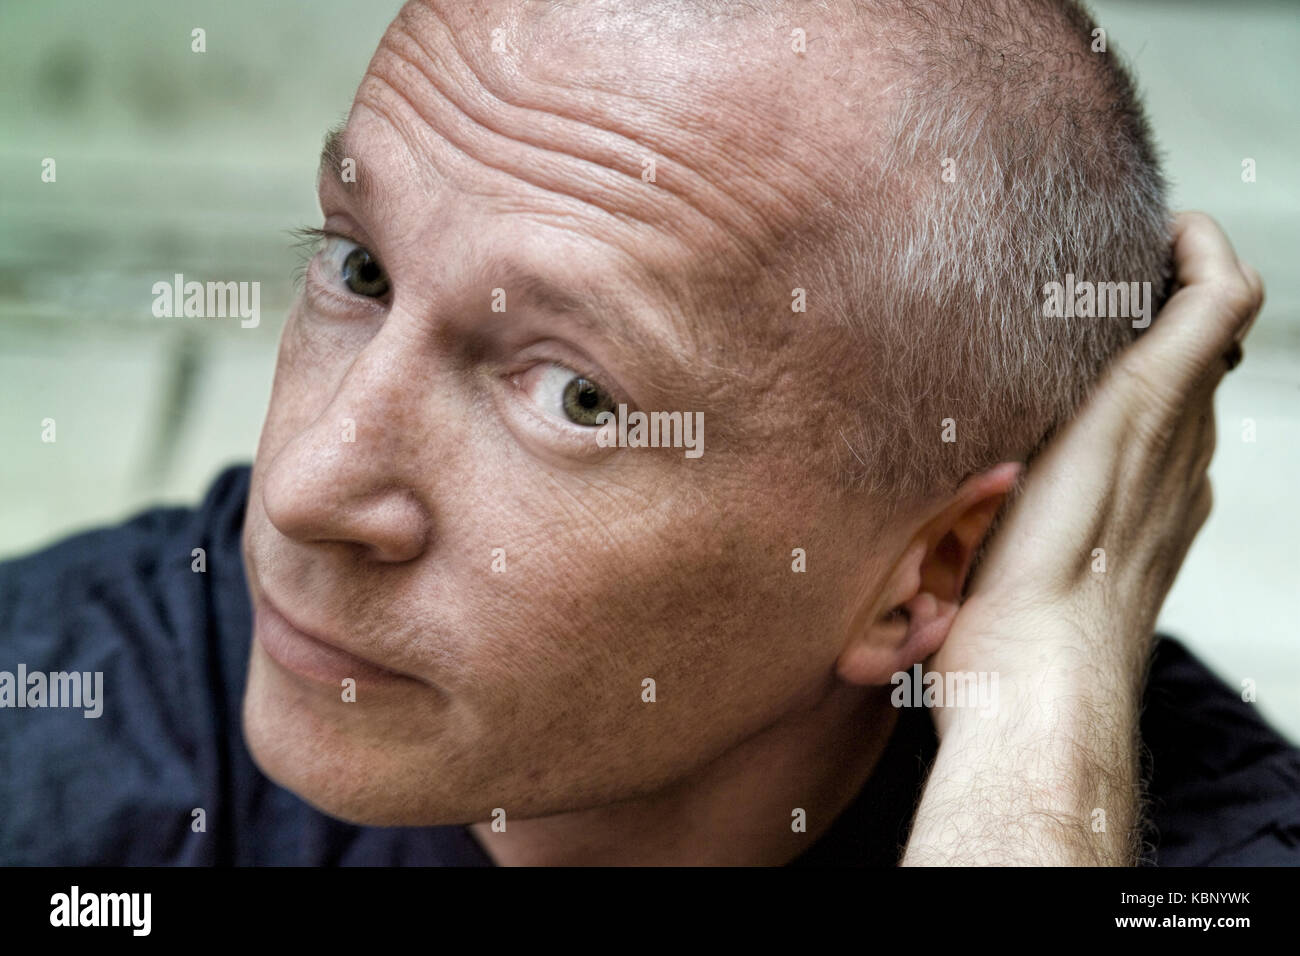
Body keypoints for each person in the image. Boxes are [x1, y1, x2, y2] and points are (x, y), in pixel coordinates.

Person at [1, 0, 1293, 866]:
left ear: (940, 569)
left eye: (577, 396)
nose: (299, 489)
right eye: (360, 269)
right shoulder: (95, 708)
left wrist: (1036, 745)